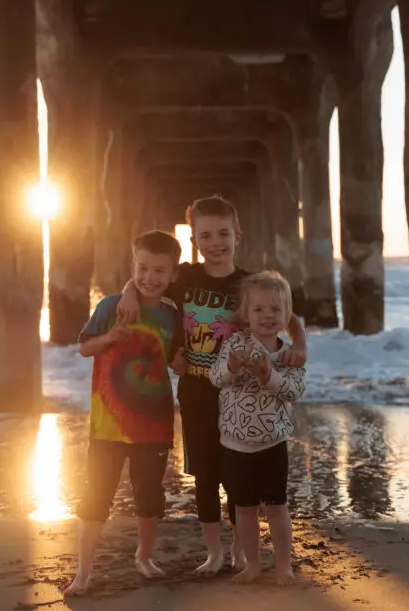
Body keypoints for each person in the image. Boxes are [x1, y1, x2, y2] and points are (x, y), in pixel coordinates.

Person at [116, 195, 308, 575]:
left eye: (223, 233)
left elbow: (288, 314)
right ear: (195, 240)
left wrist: (299, 343)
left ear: (238, 235)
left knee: (238, 476)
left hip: (237, 395)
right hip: (197, 391)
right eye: (206, 235)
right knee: (205, 474)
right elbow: (146, 280)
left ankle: (239, 551)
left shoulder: (249, 282)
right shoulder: (183, 276)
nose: (215, 242)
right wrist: (127, 291)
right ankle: (213, 553)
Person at [63, 230, 183, 596]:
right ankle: (83, 572)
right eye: (143, 269)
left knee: (149, 495)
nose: (150, 278)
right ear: (133, 267)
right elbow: (84, 348)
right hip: (108, 425)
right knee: (96, 494)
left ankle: (143, 557)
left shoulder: (171, 315)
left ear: (173, 274)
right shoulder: (111, 306)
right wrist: (109, 339)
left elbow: (176, 359)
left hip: (154, 422)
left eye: (160, 271)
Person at [210, 271, 307, 585]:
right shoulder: (235, 344)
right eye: (259, 310)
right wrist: (232, 366)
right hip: (235, 445)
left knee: (277, 507)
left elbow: (294, 391)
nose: (267, 316)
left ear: (286, 315)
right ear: (246, 314)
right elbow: (216, 378)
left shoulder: (288, 353)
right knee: (245, 509)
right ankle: (252, 565)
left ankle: (283, 566)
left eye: (275, 310)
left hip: (272, 443)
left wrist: (269, 375)